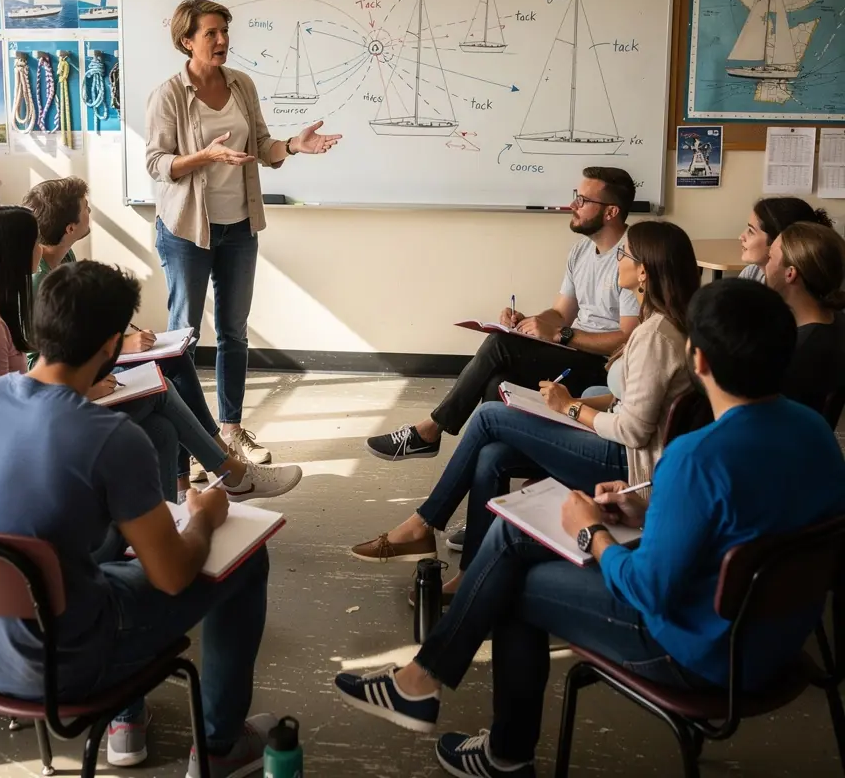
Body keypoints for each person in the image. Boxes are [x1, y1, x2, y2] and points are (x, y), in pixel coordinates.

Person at [335, 279, 845, 778]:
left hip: (700, 652)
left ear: (700, 362)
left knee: (515, 587)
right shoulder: (816, 432)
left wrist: (591, 533)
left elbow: (648, 589)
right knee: (515, 539)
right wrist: (643, 506)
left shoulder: (697, 457)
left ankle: (499, 751)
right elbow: (746, 517)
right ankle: (422, 682)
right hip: (777, 641)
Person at [0, 260, 281, 773]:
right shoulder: (110, 437)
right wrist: (203, 515)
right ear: (111, 346)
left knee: (105, 542)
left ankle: (127, 724)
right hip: (61, 664)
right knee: (246, 559)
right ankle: (218, 747)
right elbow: (172, 576)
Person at [350, 221, 698, 577]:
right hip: (617, 446)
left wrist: (570, 408)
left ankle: (422, 523)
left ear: (643, 272)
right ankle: (475, 571)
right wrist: (576, 401)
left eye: (626, 254)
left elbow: (633, 431)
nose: (619, 258)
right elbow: (633, 398)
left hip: (626, 463)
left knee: (488, 417)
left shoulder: (653, 336)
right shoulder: (659, 325)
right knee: (493, 454)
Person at [0, 202, 300, 504]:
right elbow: (3, 418)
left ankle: (175, 510)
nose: (40, 248)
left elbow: (16, 393)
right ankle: (230, 473)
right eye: (34, 242)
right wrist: (81, 390)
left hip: (42, 415)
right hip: (30, 446)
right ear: (13, 254)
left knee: (161, 428)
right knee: (161, 390)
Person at [145, 0, 341, 467]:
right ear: (186, 40)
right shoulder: (169, 94)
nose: (222, 41)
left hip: (238, 227)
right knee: (183, 336)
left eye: (225, 32)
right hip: (187, 231)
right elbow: (156, 164)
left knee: (234, 332)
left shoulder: (242, 85)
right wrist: (205, 157)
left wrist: (294, 145)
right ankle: (194, 441)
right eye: (211, 33)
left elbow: (262, 147)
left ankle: (231, 431)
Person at [365, 167, 641, 464]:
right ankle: (493, 455)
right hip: (572, 352)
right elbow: (561, 313)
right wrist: (529, 323)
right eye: (576, 197)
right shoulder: (580, 252)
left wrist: (562, 334)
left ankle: (431, 430)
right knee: (499, 375)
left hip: (604, 366)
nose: (573, 205)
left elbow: (627, 340)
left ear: (611, 211)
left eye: (583, 200)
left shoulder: (632, 258)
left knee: (500, 347)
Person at [764, 220, 845, 416]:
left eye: (770, 258)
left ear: (790, 274)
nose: (765, 266)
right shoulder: (837, 322)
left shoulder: (793, 354)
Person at [738, 196, 832, 282]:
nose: (741, 237)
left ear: (778, 241)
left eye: (751, 231)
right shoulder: (751, 274)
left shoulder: (797, 293)